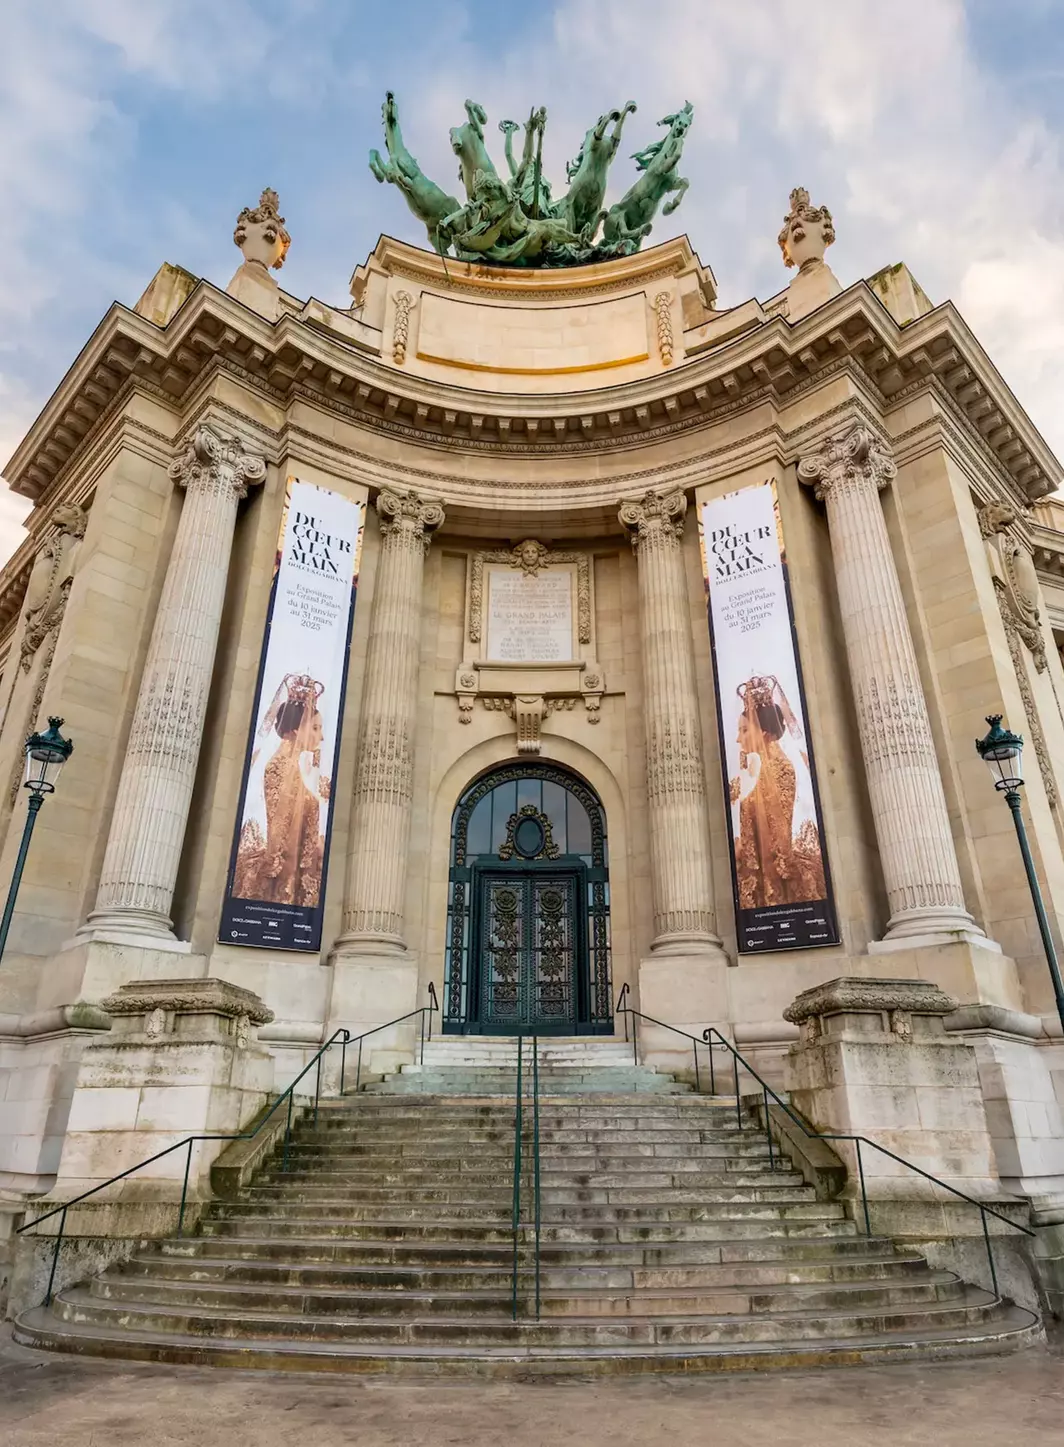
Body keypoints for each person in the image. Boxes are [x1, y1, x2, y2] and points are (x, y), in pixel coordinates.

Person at [730, 674, 826, 910]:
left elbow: (779, 829)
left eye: (744, 730)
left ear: (762, 732)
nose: (737, 739)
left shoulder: (779, 768)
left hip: (770, 868)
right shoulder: (749, 767)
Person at [234, 674, 329, 906]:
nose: (322, 736)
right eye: (315, 728)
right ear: (296, 730)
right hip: (287, 868)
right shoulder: (280, 766)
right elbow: (278, 827)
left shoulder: (305, 766)